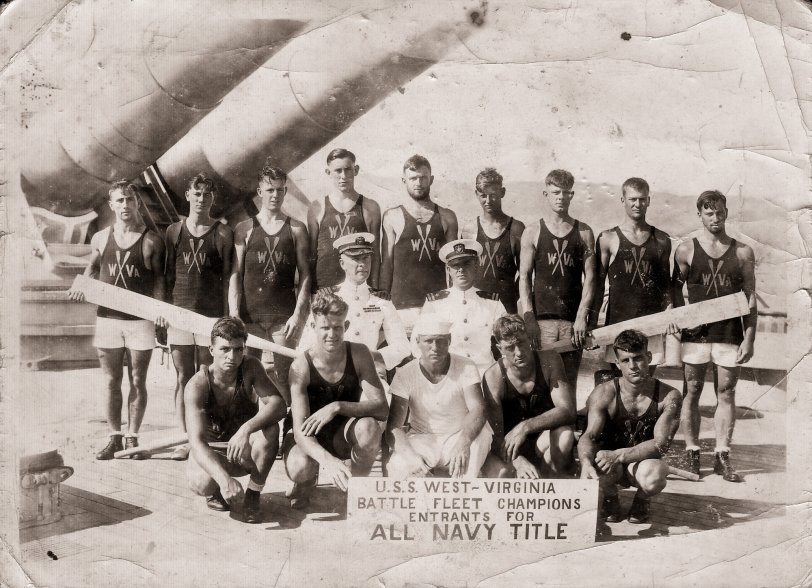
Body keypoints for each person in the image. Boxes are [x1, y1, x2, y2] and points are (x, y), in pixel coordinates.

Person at [67, 180, 167, 460]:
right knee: (111, 381)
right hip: (108, 319)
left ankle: (133, 437)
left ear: (138, 203)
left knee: (138, 380)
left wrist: (159, 309)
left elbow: (159, 279)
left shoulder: (152, 240)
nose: (125, 205)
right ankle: (114, 438)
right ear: (111, 205)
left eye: (130, 200)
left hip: (140, 321)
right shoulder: (100, 237)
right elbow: (92, 268)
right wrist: (80, 286)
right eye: (120, 200)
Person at [672, 190, 757, 482]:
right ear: (700, 215)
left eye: (720, 212)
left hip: (729, 334)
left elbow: (751, 297)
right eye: (709, 213)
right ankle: (692, 452)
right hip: (695, 335)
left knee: (727, 392)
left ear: (726, 212)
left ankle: (722, 455)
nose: (715, 218)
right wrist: (676, 319)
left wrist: (750, 337)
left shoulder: (743, 251)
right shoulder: (686, 249)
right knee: (692, 391)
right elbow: (672, 291)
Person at [284, 291, 388, 508]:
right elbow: (301, 433)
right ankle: (306, 482)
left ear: (346, 326)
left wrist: (337, 406)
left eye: (337, 327)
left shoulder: (359, 354)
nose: (332, 334)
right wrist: (327, 461)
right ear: (313, 327)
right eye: (325, 328)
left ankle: (356, 488)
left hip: (342, 430)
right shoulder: (300, 366)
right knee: (299, 467)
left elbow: (381, 408)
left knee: (369, 428)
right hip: (307, 434)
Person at [185, 317, 287, 524]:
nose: (232, 356)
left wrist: (246, 429)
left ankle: (253, 495)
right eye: (225, 349)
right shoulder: (197, 385)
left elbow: (279, 404)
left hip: (242, 448)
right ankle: (216, 490)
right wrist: (224, 480)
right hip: (213, 450)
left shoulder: (251, 367)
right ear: (211, 350)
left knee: (271, 429)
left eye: (238, 349)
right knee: (201, 484)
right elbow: (195, 443)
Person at [578, 330, 682, 525]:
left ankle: (642, 500)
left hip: (642, 463)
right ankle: (611, 498)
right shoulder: (603, 393)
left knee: (656, 475)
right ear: (617, 364)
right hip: (609, 465)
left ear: (649, 357)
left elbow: (661, 444)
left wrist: (619, 455)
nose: (633, 366)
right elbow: (588, 435)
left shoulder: (669, 395)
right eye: (625, 361)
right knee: (594, 459)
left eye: (638, 358)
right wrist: (584, 462)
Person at [164, 173, 233, 460]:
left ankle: (205, 439)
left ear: (212, 198)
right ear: (188, 195)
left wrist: (228, 317)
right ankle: (184, 437)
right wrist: (163, 312)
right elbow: (166, 277)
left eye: (207, 194)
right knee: (183, 377)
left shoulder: (222, 232)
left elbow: (230, 277)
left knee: (207, 377)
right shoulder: (173, 231)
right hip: (179, 315)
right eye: (197, 193)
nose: (202, 199)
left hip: (210, 319)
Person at [230, 166, 310, 403]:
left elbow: (305, 274)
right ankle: (250, 431)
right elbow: (236, 274)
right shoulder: (244, 228)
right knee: (246, 374)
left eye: (280, 190)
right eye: (269, 190)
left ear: (285, 191)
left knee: (286, 375)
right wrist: (234, 313)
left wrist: (298, 314)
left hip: (282, 317)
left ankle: (288, 431)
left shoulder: (296, 228)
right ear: (259, 191)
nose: (275, 195)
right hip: (249, 316)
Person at [385, 314, 492, 479]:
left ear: (449, 340)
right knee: (398, 465)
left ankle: (464, 491)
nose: (435, 347)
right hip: (423, 438)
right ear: (418, 342)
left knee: (482, 435)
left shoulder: (466, 366)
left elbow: (478, 409)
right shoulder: (405, 373)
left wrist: (464, 442)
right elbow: (394, 427)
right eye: (428, 341)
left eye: (441, 341)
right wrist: (411, 458)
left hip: (458, 435)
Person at [518, 169, 596, 388]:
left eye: (565, 192)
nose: (560, 197)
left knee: (569, 382)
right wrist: (528, 317)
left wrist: (582, 317)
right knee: (543, 382)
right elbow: (524, 277)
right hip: (542, 321)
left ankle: (567, 423)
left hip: (572, 322)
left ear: (571, 195)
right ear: (546, 194)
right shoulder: (533, 230)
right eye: (555, 192)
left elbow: (590, 278)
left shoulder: (584, 232)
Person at [298, 233, 411, 384]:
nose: (362, 264)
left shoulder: (381, 301)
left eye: (366, 258)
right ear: (342, 263)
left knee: (385, 402)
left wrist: (371, 357)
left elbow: (402, 346)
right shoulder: (327, 298)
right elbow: (307, 344)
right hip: (332, 375)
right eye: (356, 259)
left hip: (369, 374)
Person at [590, 177, 675, 376]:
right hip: (619, 322)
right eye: (633, 199)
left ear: (649, 200)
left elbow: (665, 285)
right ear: (623, 200)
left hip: (651, 323)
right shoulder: (607, 237)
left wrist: (670, 314)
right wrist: (593, 324)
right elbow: (598, 285)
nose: (638, 204)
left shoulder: (662, 239)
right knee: (619, 382)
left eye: (643, 199)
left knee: (645, 378)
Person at [481, 315, 575, 479]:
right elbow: (494, 436)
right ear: (500, 349)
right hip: (509, 447)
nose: (519, 352)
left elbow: (567, 410)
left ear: (529, 338)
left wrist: (525, 426)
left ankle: (550, 482)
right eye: (510, 347)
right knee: (499, 475)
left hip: (542, 441)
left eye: (522, 343)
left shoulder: (549, 360)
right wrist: (517, 461)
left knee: (565, 434)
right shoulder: (493, 376)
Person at [380, 154, 458, 333]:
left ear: (431, 179)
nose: (418, 182)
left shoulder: (447, 216)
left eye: (423, 177)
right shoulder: (392, 216)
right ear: (404, 180)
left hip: (438, 303)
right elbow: (387, 262)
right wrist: (384, 304)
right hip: (403, 304)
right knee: (405, 356)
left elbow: (453, 263)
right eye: (413, 178)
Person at [417, 239, 507, 376]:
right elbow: (418, 345)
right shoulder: (434, 303)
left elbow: (507, 340)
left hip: (485, 375)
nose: (461, 269)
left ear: (476, 265)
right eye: (455, 265)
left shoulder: (492, 303)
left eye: (467, 264)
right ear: (448, 270)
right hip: (449, 375)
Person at [307, 148, 381, 291]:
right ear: (328, 173)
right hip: (324, 290)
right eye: (338, 171)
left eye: (348, 169)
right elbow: (311, 255)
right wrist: (312, 292)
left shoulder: (370, 207)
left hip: (357, 289)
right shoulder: (317, 207)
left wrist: (375, 289)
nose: (343, 176)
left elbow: (376, 254)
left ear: (356, 170)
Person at [459, 167, 524, 314]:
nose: (488, 201)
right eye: (483, 195)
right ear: (476, 194)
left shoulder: (516, 228)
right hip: (476, 306)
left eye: (493, 195)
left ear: (502, 192)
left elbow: (525, 273)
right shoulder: (470, 229)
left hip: (506, 307)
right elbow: (462, 269)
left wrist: (510, 297)